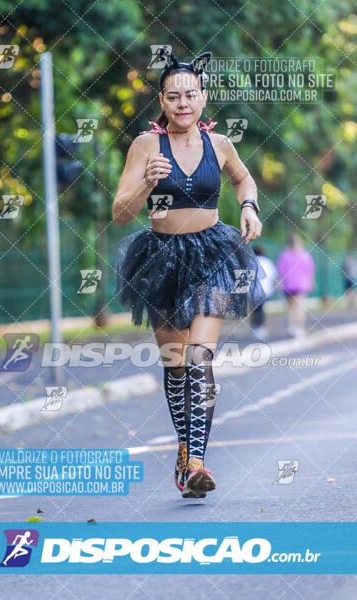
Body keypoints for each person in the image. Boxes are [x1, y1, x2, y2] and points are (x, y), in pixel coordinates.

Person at [113, 50, 266, 499]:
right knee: (176, 364)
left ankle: (197, 461)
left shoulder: (219, 145)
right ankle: (185, 454)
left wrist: (249, 206)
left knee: (200, 358)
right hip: (160, 259)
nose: (183, 103)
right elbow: (121, 213)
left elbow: (244, 179)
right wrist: (146, 182)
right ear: (162, 100)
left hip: (215, 254)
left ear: (203, 98)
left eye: (191, 95)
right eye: (174, 96)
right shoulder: (145, 145)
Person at [276, 232, 315, 338]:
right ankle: (299, 328)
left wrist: (279, 284)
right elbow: (310, 271)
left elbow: (280, 271)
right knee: (300, 307)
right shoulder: (305, 255)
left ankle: (291, 327)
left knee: (290, 307)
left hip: (287, 284)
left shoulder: (284, 255)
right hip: (301, 285)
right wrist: (311, 282)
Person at [250, 245, 277, 340]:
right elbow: (273, 276)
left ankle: (255, 327)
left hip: (253, 291)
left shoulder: (250, 261)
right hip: (265, 290)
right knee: (261, 309)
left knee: (255, 309)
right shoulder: (267, 262)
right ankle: (260, 327)